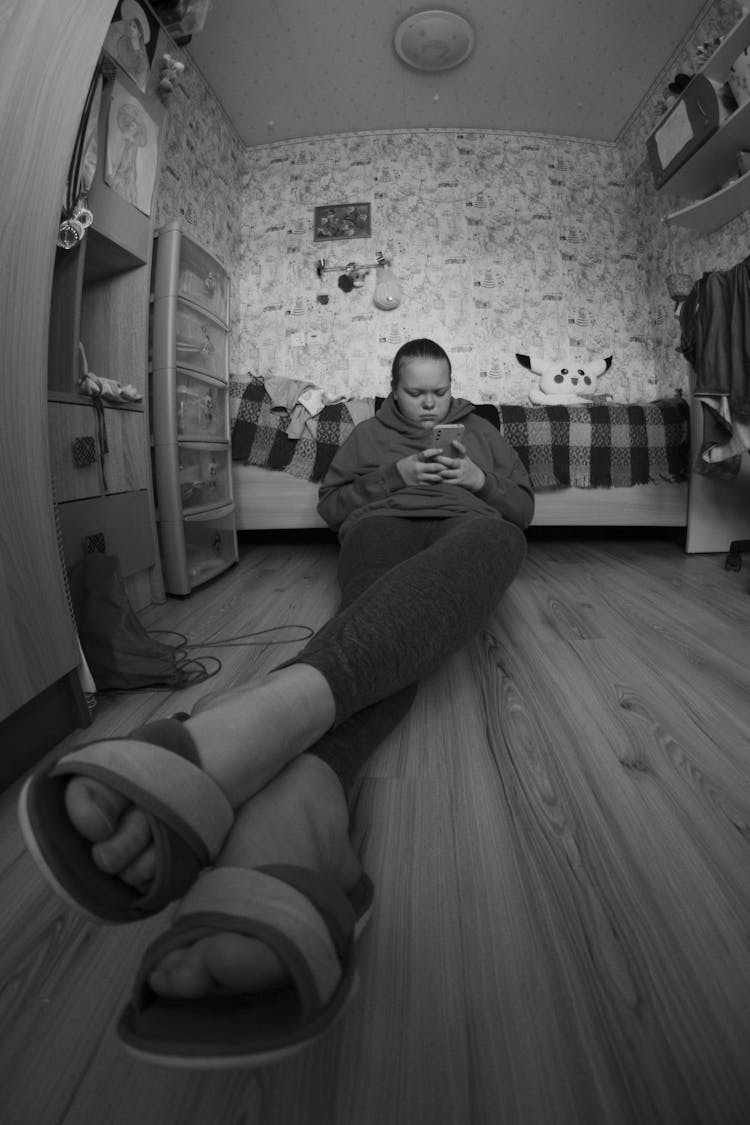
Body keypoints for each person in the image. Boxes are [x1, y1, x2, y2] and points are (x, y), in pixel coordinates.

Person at [19, 338, 534, 1067]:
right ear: (393, 389)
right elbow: (332, 507)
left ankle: (246, 735)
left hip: (466, 526)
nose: (432, 406)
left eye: (441, 392)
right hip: (384, 527)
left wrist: (481, 478)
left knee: (497, 542)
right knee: (396, 606)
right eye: (418, 394)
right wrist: (395, 474)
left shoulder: (482, 429)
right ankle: (299, 805)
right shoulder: (365, 434)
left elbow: (524, 508)